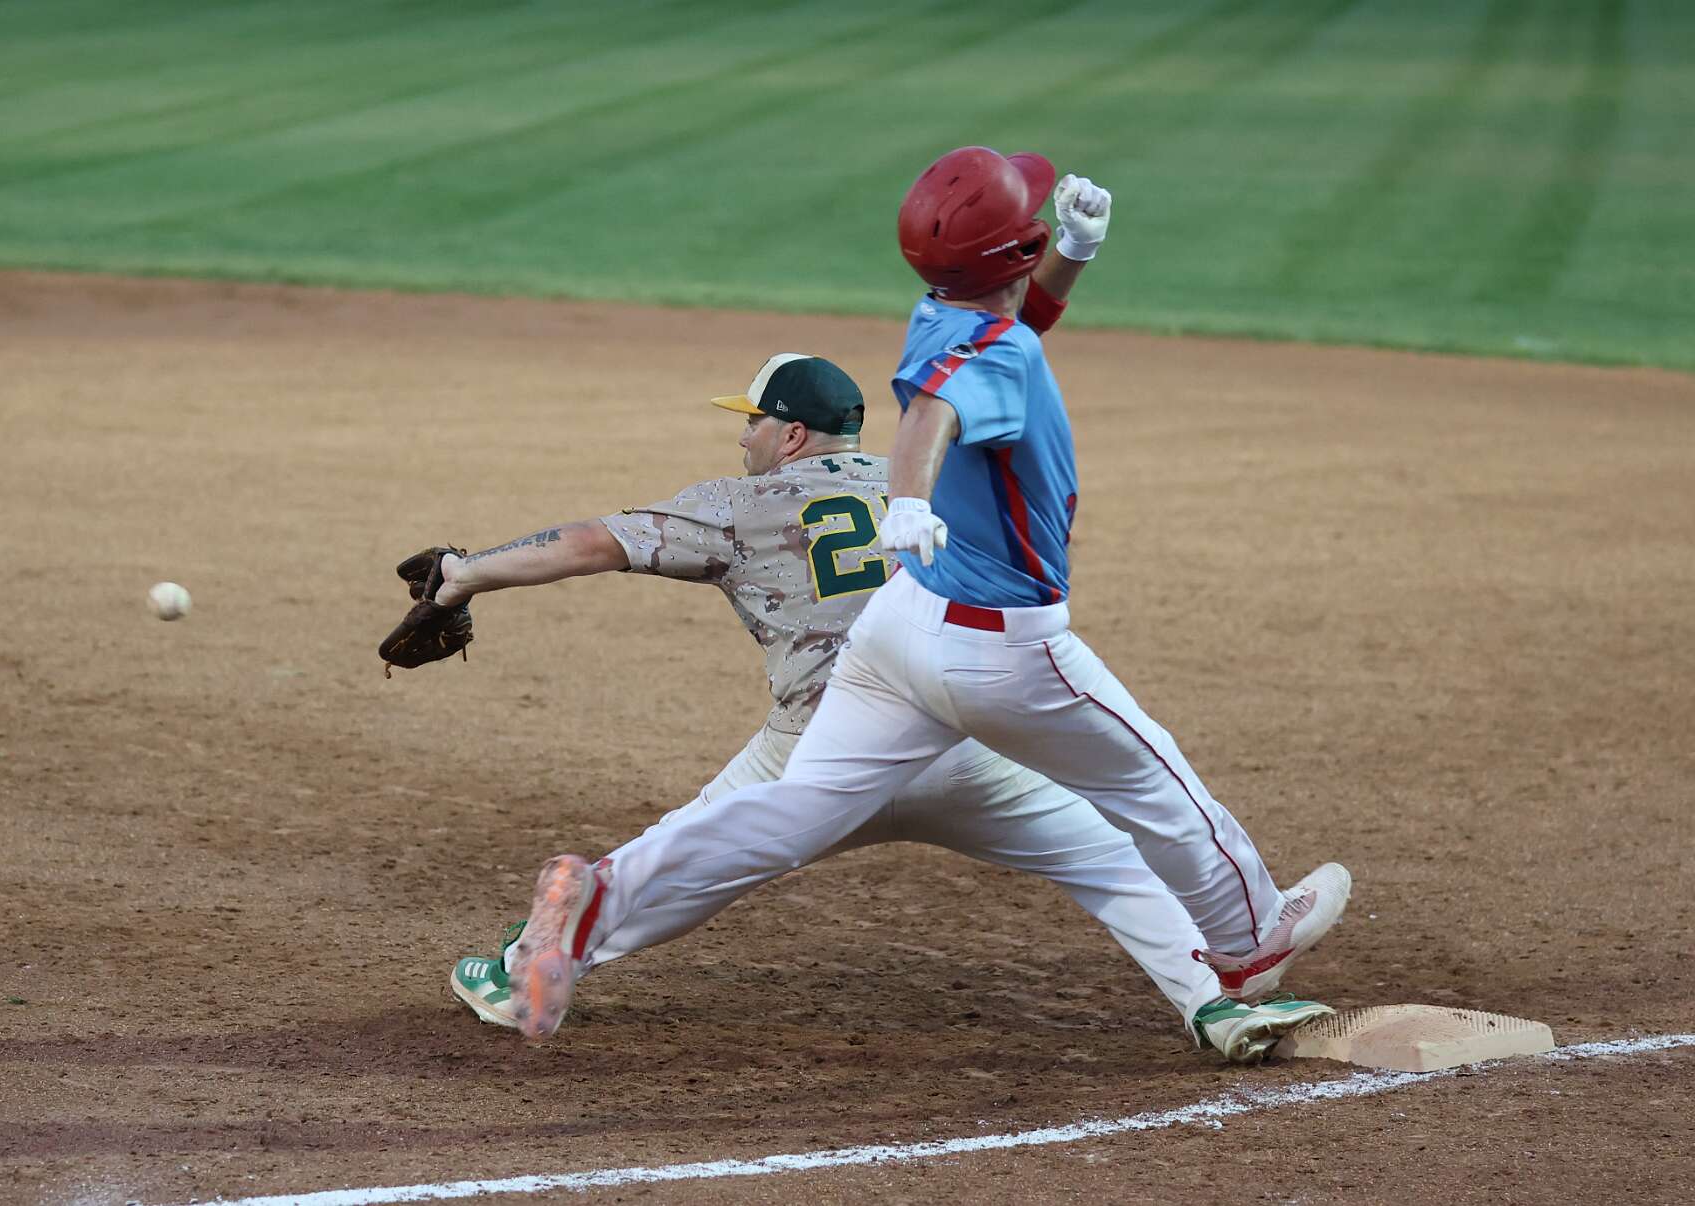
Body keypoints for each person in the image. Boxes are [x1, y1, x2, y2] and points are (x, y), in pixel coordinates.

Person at [502, 149, 1351, 1046]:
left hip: (897, 630)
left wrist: (1070, 255)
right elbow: (933, 412)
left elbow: (1000, 333)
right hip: (1002, 645)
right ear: (1014, 251)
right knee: (1152, 782)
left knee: (793, 809)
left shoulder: (942, 311)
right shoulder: (995, 353)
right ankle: (1251, 941)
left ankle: (599, 900)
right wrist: (906, 500)